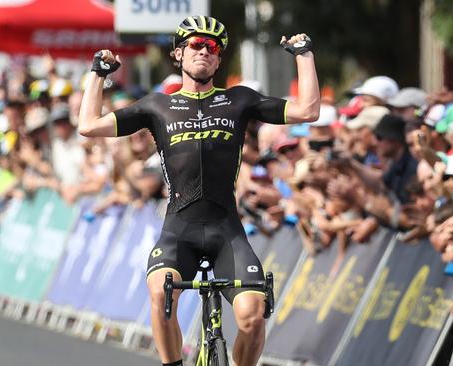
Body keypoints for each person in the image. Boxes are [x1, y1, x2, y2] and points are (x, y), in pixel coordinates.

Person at [77, 15, 320, 366]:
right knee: (161, 293)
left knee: (252, 316)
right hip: (179, 231)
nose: (205, 50)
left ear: (219, 60)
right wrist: (98, 75)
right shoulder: (157, 106)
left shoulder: (240, 100)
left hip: (226, 231)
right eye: (196, 44)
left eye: (213, 47)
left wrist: (304, 55)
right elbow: (88, 126)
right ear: (178, 54)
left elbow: (308, 111)